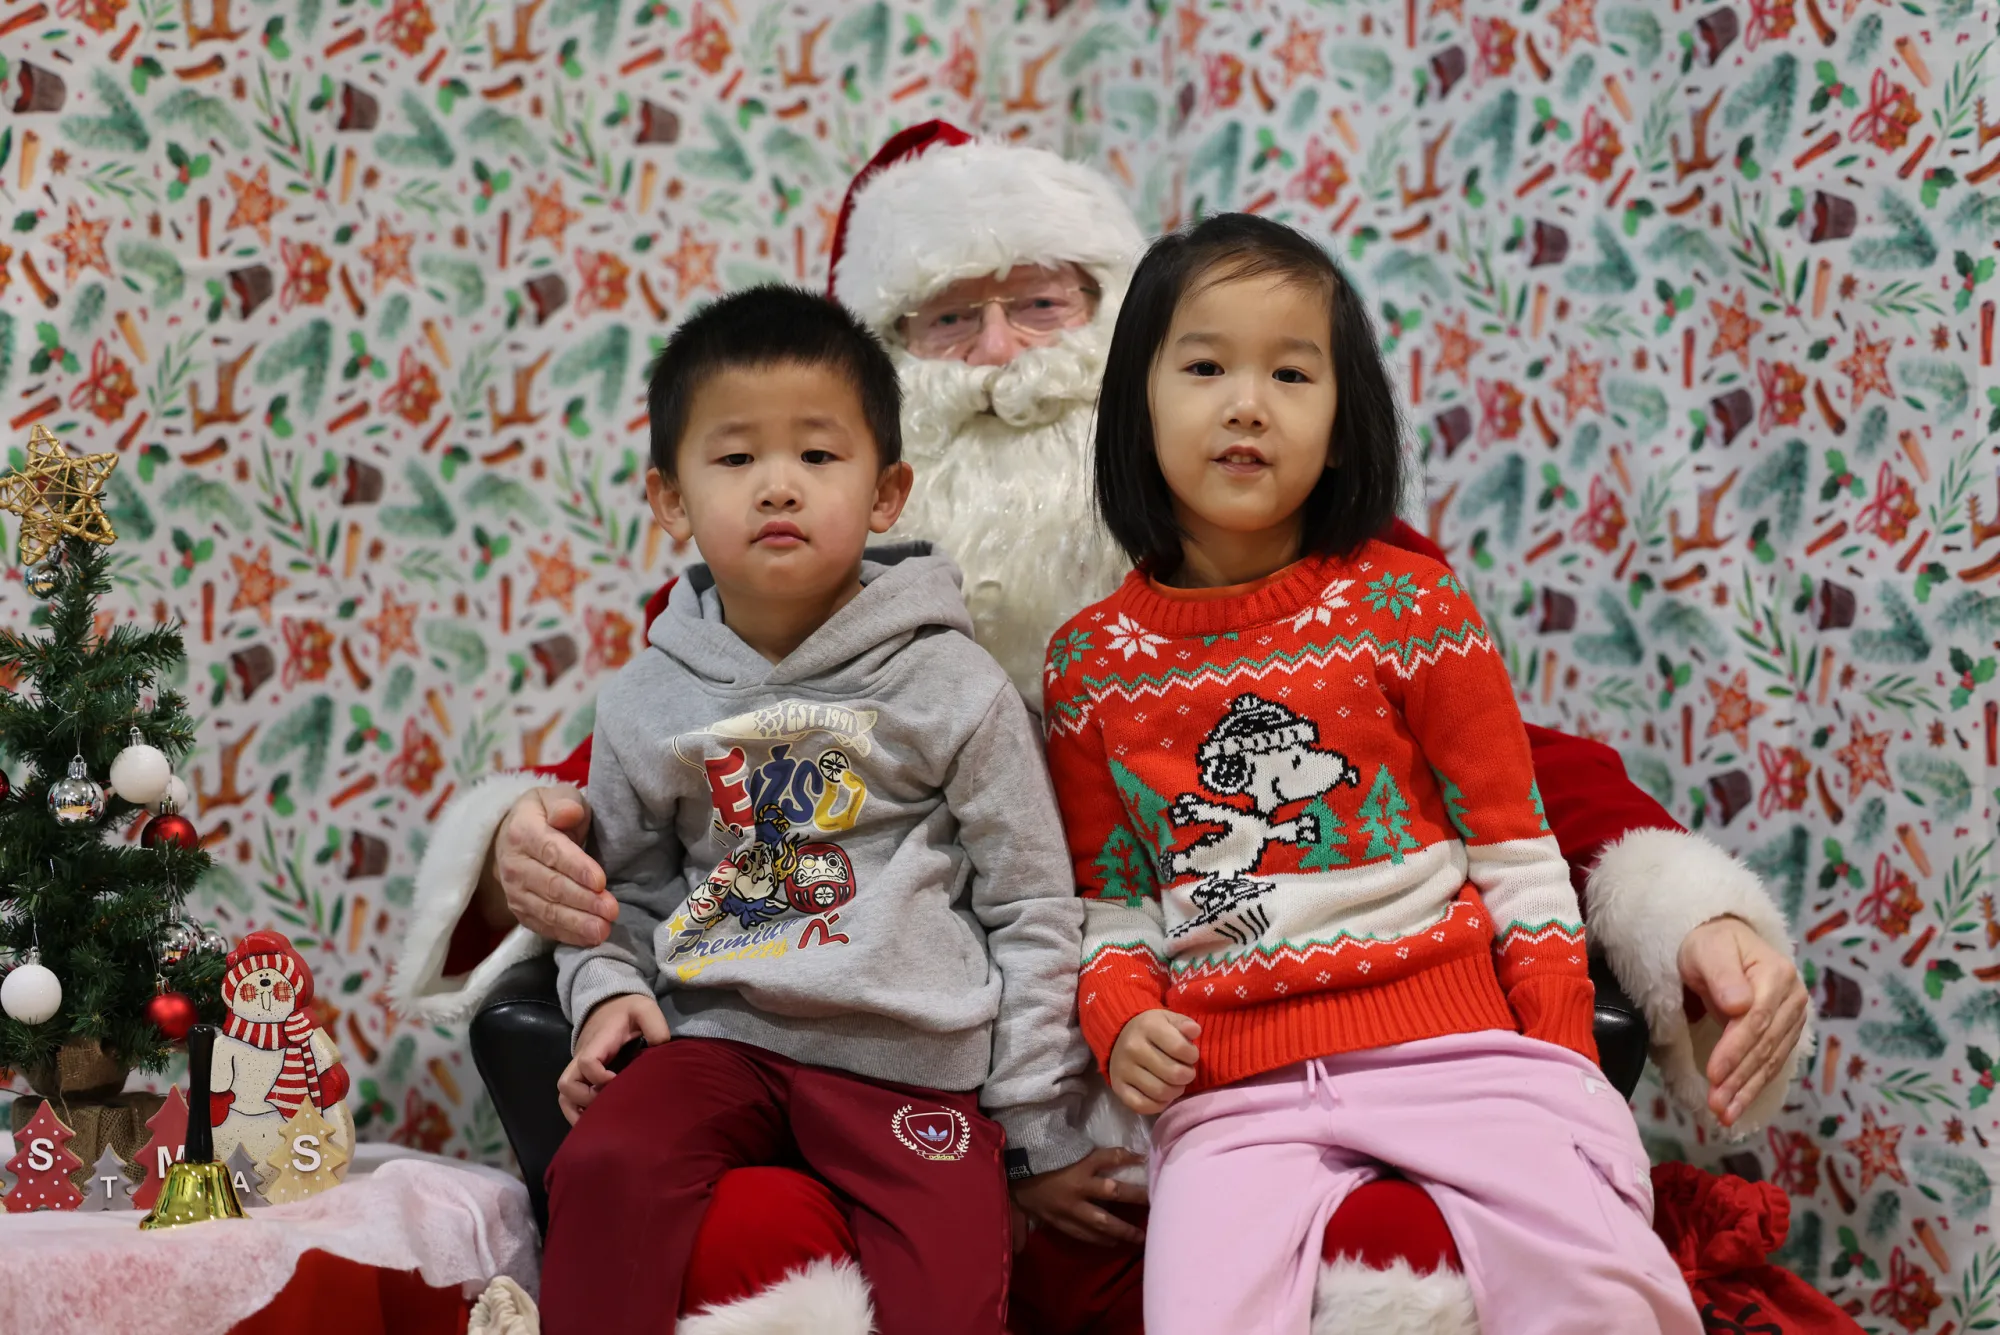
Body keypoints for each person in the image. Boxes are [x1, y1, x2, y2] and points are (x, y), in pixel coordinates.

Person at [394, 125, 1810, 1335]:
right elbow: (645, 797)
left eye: (1041, 304)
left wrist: (1687, 917)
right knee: (742, 1228)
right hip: (903, 1084)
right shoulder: (770, 586)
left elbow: (1500, 777)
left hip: (1231, 1076)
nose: (999, 359)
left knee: (1406, 1244)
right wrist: (525, 844)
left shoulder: (1330, 565)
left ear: (1120, 332)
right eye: (947, 322)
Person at [1048, 212, 1703, 1333]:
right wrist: (1121, 1016)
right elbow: (1111, 904)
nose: (1246, 404)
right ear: (1134, 409)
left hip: (1459, 1052)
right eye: (1203, 367)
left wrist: (1560, 1053)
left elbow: (1515, 850)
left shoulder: (1410, 605)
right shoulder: (1088, 665)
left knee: (1608, 1294)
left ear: (1344, 425)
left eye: (1290, 373)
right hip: (1232, 1095)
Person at [537, 285, 1091, 1335]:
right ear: (671, 500)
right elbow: (612, 893)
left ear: (886, 493)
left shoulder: (952, 682)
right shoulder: (648, 698)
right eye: (736, 457)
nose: (778, 484)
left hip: (910, 1064)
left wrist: (1031, 1123)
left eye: (818, 455)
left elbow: (1031, 905)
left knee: (951, 1291)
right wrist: (605, 992)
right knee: (604, 1160)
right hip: (716, 1041)